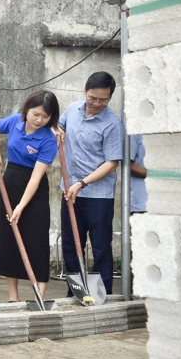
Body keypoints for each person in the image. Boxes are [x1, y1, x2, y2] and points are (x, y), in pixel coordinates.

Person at [0, 90, 60, 302]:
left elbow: (36, 178)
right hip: (10, 181)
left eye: (45, 117)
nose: (39, 120)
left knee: (35, 240)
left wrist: (20, 207)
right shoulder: (14, 122)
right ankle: (13, 297)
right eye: (36, 114)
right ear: (27, 109)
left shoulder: (48, 139)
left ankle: (39, 296)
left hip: (34, 191)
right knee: (9, 238)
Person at [58, 71, 124, 294]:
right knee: (70, 244)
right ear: (85, 92)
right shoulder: (72, 110)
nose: (97, 104)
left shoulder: (113, 124)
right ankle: (75, 291)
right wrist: (56, 132)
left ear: (110, 97)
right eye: (92, 98)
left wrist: (82, 183)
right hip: (69, 191)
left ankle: (102, 293)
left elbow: (111, 163)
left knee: (100, 247)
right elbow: (58, 127)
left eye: (103, 100)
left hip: (98, 195)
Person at [129, 135, 148, 214]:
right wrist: (159, 175)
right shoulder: (135, 132)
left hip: (172, 201)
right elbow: (126, 166)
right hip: (142, 205)